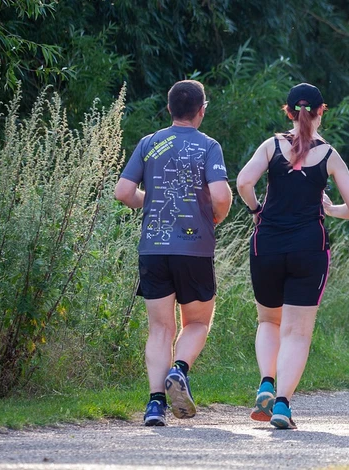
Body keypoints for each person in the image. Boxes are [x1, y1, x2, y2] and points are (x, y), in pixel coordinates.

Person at [236, 83, 349, 430]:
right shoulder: (330, 155)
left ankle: (265, 382)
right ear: (321, 111)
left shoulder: (271, 146)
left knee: (268, 321)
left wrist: (256, 210)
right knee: (297, 333)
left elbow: (244, 182)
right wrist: (331, 209)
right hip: (309, 248)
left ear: (289, 112)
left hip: (267, 246)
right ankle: (281, 405)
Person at [115, 79, 232, 426]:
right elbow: (222, 196)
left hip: (153, 248)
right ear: (202, 110)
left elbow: (123, 191)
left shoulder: (149, 143)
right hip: (194, 248)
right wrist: (214, 219)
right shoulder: (209, 146)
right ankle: (179, 369)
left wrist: (147, 202)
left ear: (169, 109)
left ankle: (154, 406)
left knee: (159, 329)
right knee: (197, 322)